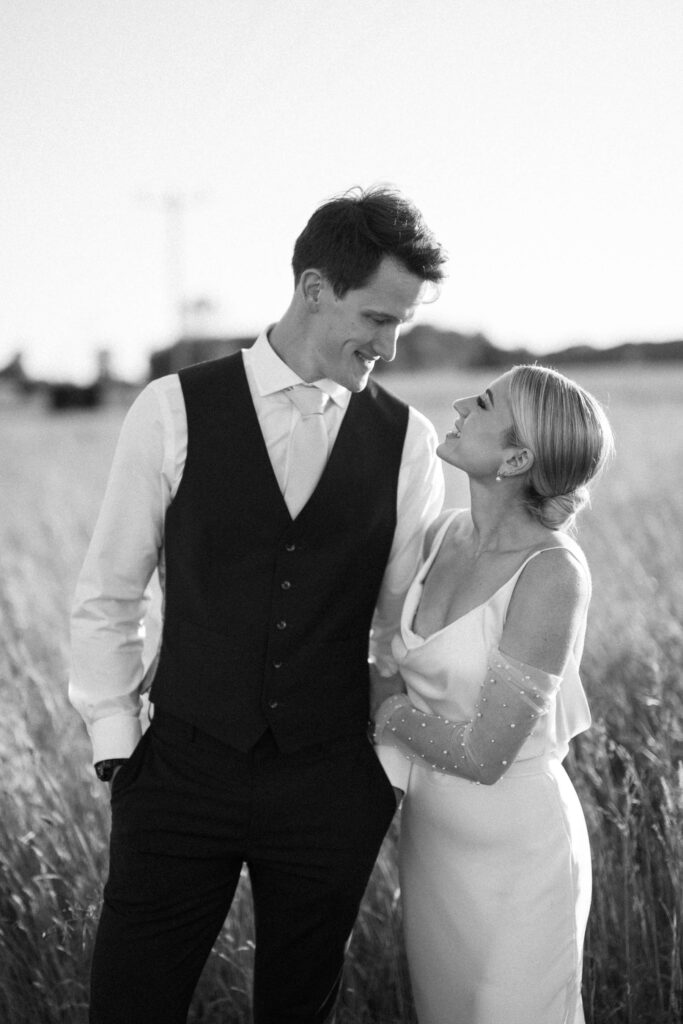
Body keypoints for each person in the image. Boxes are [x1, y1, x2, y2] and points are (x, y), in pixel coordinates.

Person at [68, 185, 447, 1024]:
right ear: (314, 288)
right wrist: (117, 747)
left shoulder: (408, 441)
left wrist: (379, 771)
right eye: (378, 318)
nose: (388, 345)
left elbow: (400, 624)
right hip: (178, 774)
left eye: (402, 326)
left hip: (329, 783)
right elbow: (109, 591)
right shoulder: (171, 409)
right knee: (131, 1002)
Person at [373, 364, 614, 1024]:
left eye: (480, 403)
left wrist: (385, 713)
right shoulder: (436, 535)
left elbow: (485, 755)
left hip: (520, 857)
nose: (455, 405)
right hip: (432, 848)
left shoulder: (552, 572)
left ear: (515, 456)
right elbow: (373, 638)